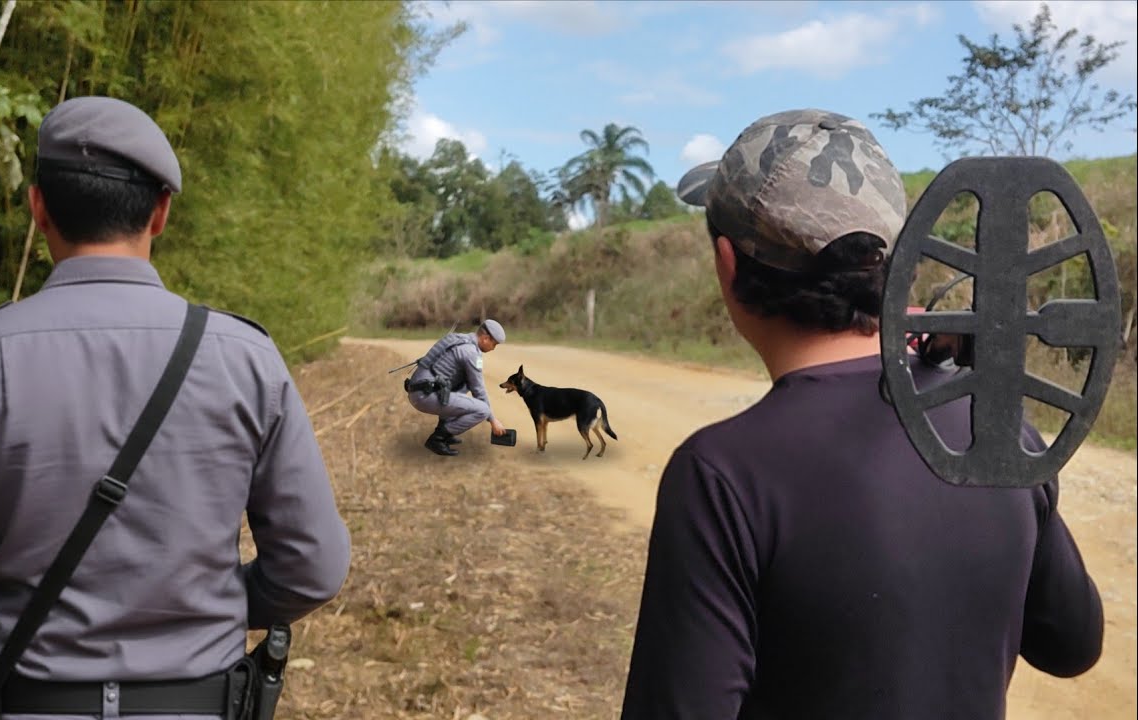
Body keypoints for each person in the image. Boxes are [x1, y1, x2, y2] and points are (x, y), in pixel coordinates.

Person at [0, 96, 351, 717]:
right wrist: (218, 601)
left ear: (38, 208)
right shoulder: (245, 359)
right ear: (161, 212)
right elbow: (313, 566)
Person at [620, 109, 1103, 719]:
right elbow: (1071, 644)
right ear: (890, 262)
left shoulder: (720, 474)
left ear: (727, 263)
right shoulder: (994, 425)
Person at [404, 320, 508, 456]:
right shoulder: (471, 353)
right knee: (483, 410)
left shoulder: (460, 339)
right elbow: (479, 390)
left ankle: (446, 431)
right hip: (424, 395)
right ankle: (438, 439)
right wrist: (493, 420)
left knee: (465, 382)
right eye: (494, 344)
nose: (494, 348)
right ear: (485, 339)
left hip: (419, 389)